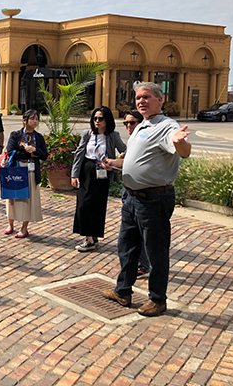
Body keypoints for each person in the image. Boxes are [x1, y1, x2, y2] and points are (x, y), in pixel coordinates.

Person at [102, 82, 191, 317]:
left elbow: (183, 149)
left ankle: (158, 300)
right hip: (132, 199)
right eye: (138, 98)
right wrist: (114, 163)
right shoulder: (143, 125)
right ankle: (123, 291)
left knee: (155, 251)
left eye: (147, 97)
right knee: (127, 247)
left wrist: (180, 142)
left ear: (160, 100)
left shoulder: (166, 126)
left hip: (153, 199)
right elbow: (134, 161)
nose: (141, 101)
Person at [70, 106, 126, 252]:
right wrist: (74, 174)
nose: (97, 121)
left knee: (97, 207)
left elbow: (125, 151)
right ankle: (88, 237)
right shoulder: (87, 134)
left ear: (107, 120)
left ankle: (92, 238)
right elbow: (79, 155)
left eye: (100, 118)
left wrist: (115, 161)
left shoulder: (113, 135)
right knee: (82, 206)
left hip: (102, 175)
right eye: (95, 118)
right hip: (86, 172)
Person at [3, 110, 48, 238]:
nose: (35, 121)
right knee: (13, 198)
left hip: (31, 171)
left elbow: (44, 155)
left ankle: (24, 227)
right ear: (25, 120)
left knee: (29, 198)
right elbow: (10, 151)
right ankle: (10, 224)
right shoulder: (15, 135)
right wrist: (25, 151)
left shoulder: (39, 137)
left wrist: (35, 150)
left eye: (37, 119)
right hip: (17, 168)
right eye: (32, 119)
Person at [122, 110, 151, 278]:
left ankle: (143, 265)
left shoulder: (143, 140)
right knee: (130, 233)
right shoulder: (132, 140)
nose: (128, 126)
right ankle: (136, 264)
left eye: (131, 123)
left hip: (140, 194)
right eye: (126, 123)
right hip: (128, 192)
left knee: (139, 232)